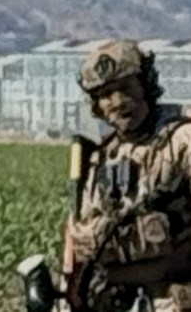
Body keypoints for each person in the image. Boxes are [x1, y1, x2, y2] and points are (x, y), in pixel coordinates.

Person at [66, 39, 191, 312]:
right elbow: (86, 235)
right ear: (96, 105)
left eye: (125, 88)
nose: (118, 102)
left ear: (146, 85)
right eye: (106, 94)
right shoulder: (102, 157)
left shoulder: (182, 140)